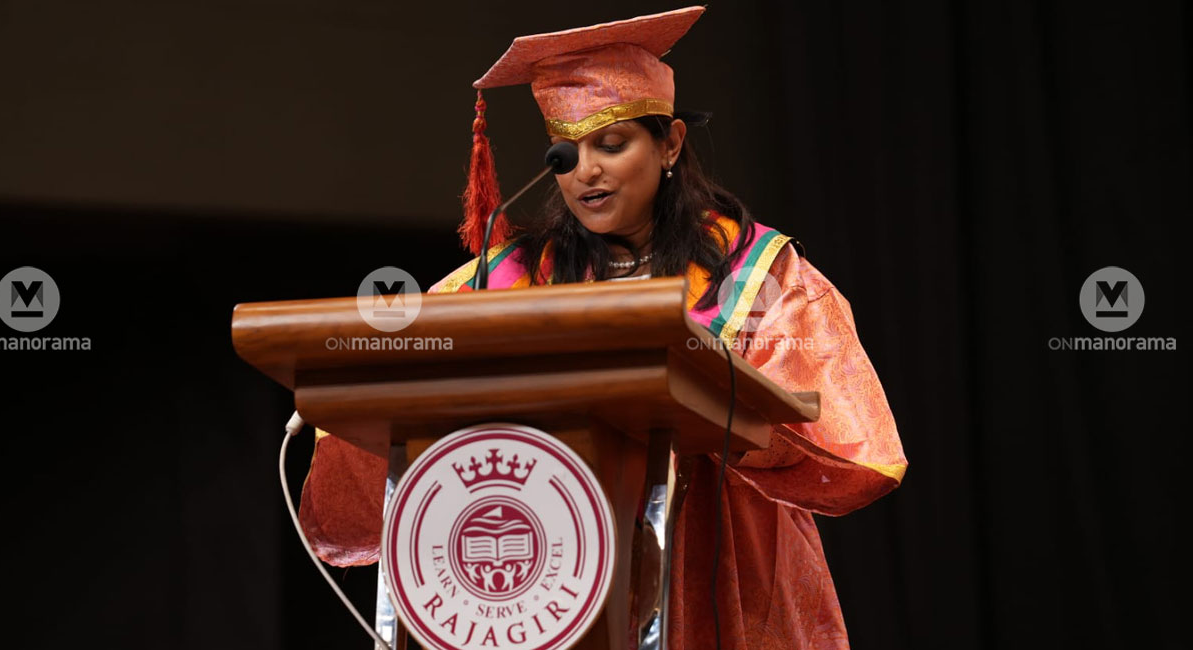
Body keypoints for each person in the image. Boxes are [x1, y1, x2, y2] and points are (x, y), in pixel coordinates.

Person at [298, 6, 907, 649]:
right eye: (566, 154)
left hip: (716, 562)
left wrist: (714, 407)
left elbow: (847, 443)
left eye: (611, 145)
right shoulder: (504, 280)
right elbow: (398, 384)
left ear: (670, 142)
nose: (584, 171)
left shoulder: (754, 273)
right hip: (548, 574)